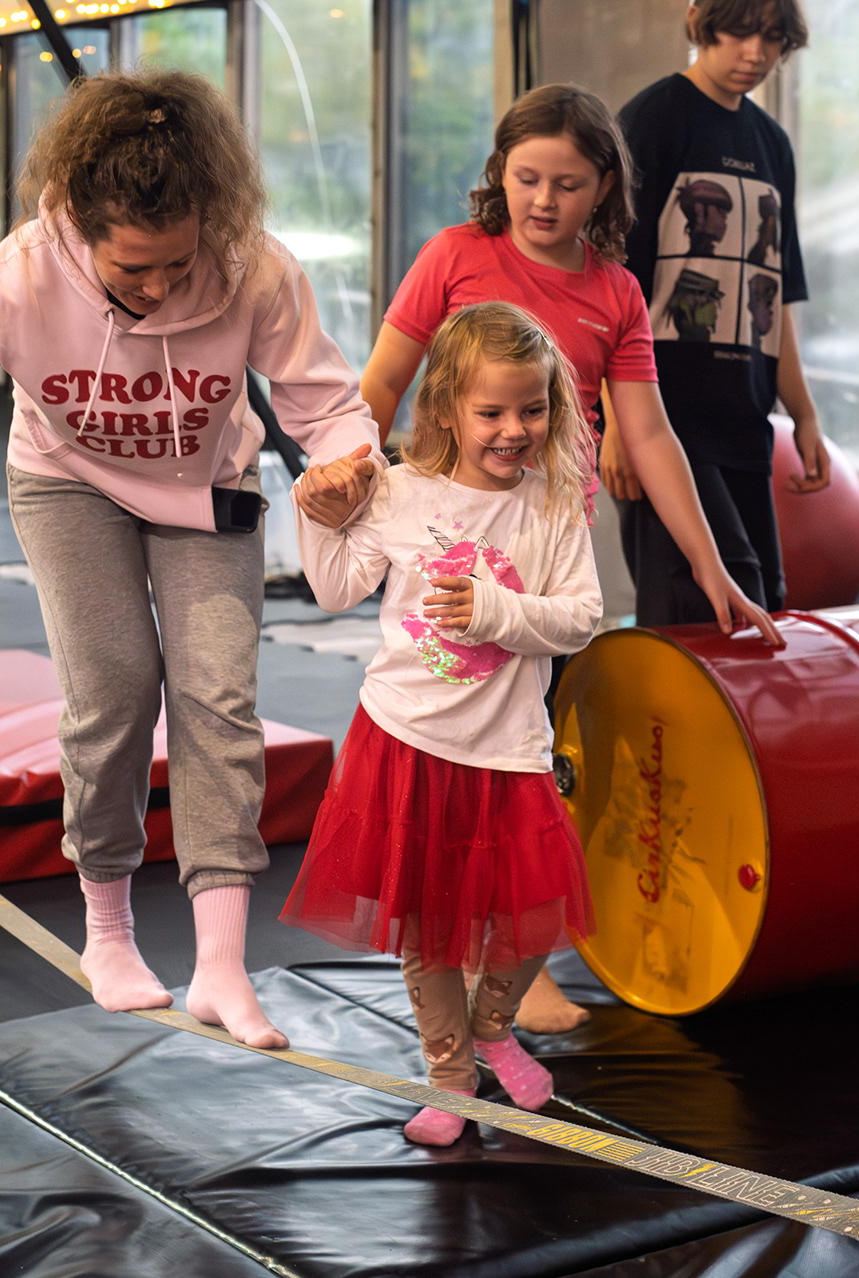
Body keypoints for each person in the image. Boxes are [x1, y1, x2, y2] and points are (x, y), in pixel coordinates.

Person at [0, 70, 385, 1051]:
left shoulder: (254, 267)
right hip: (69, 484)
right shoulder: (19, 276)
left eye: (178, 263)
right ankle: (108, 927)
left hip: (206, 489)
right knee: (115, 689)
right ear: (80, 227)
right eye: (133, 268)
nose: (159, 288)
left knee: (219, 698)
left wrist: (347, 468)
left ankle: (221, 965)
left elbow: (327, 403)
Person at [360, 81, 781, 1035]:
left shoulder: (615, 290)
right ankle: (467, 945)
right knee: (452, 743)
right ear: (500, 173)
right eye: (526, 178)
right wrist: (351, 481)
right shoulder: (456, 255)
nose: (543, 201)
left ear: (605, 189)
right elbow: (382, 381)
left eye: (568, 184)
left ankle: (502, 946)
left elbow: (651, 433)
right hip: (453, 539)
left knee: (525, 757)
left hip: (546, 551)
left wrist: (709, 564)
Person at [281, 303, 597, 1145]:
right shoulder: (399, 490)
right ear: (449, 407)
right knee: (428, 929)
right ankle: (451, 1078)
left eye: (532, 409)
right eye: (491, 412)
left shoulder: (554, 504)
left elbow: (580, 618)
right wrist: (313, 514)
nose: (514, 430)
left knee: (535, 910)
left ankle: (494, 1028)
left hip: (507, 748)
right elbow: (335, 590)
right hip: (408, 741)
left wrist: (495, 610)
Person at [614, 0, 829, 626]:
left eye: (772, 38)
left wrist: (805, 414)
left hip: (745, 422)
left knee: (766, 606)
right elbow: (610, 283)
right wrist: (616, 422)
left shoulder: (773, 144)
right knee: (702, 610)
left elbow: (773, 294)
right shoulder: (653, 120)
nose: (755, 53)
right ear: (699, 21)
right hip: (664, 421)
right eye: (739, 32)